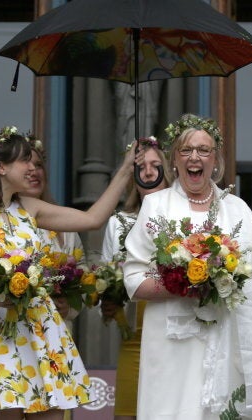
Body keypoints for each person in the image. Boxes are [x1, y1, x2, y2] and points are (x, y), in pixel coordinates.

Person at [0, 126, 135, 420]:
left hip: (40, 330)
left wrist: (126, 169)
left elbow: (92, 219)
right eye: (24, 160)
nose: (32, 167)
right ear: (1, 167)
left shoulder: (29, 207)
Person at [122, 114, 252, 419]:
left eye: (204, 150)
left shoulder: (237, 209)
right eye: (186, 150)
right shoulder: (157, 206)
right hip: (171, 343)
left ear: (216, 160)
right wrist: (183, 281)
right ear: (175, 161)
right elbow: (133, 280)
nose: (195, 157)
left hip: (226, 339)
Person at [100, 136, 171, 420]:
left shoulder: (183, 215)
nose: (149, 171)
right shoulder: (119, 222)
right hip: (133, 338)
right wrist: (107, 300)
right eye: (142, 167)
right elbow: (108, 276)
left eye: (156, 165)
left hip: (174, 334)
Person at [21, 136, 84, 324]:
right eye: (26, 164)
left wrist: (69, 306)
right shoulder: (6, 222)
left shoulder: (64, 222)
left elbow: (82, 272)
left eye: (38, 165)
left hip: (59, 328)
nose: (34, 171)